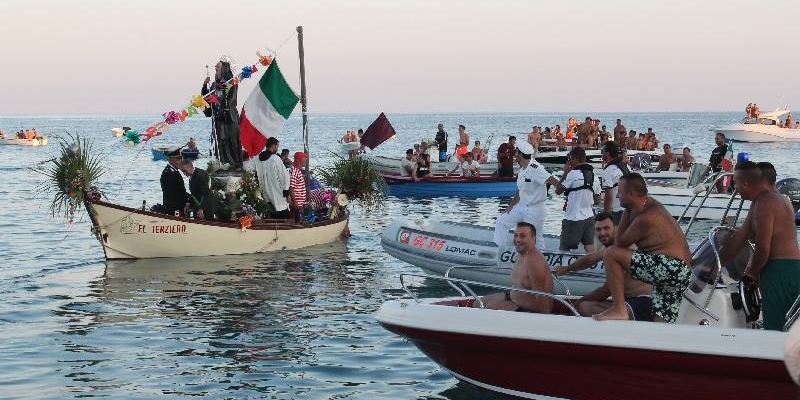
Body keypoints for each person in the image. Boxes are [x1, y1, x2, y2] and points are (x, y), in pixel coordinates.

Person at [594, 173, 693, 323]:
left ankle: (620, 309)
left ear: (631, 194)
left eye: (619, 192)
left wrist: (626, 210)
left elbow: (619, 242)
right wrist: (629, 208)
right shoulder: (647, 203)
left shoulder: (646, 218)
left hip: (671, 268)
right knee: (660, 321)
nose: (617, 196)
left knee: (611, 254)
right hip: (679, 272)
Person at [720, 162, 800, 330]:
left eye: (736, 183)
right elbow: (741, 236)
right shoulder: (767, 201)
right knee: (788, 327)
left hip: (779, 272)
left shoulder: (766, 201)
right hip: (789, 269)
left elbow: (763, 249)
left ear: (746, 183)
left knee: (775, 329)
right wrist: (717, 264)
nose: (735, 188)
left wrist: (750, 275)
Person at [554, 212, 654, 320]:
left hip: (643, 303)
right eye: (598, 229)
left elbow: (606, 291)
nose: (602, 233)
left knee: (585, 307)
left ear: (616, 228)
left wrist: (578, 303)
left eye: (607, 228)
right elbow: (590, 259)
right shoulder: (612, 248)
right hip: (630, 301)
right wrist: (566, 269)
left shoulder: (624, 248)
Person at [474, 222, 553, 313]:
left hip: (528, 307)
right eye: (516, 235)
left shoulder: (534, 262)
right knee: (478, 303)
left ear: (533, 239)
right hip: (513, 296)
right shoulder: (520, 255)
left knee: (490, 307)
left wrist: (516, 300)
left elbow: (545, 307)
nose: (517, 239)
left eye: (522, 236)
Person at [494, 140, 560, 249]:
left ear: (520, 155)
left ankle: (542, 259)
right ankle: (500, 251)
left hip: (535, 210)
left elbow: (553, 181)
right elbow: (520, 191)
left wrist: (566, 191)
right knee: (501, 220)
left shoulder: (536, 168)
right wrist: (510, 206)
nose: (514, 154)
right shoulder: (523, 169)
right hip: (521, 207)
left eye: (516, 152)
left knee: (534, 239)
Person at [553, 147, 601, 252]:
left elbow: (558, 190)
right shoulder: (595, 177)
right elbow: (597, 201)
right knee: (589, 246)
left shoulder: (573, 174)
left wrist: (565, 172)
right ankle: (592, 265)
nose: (568, 161)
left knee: (565, 247)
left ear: (574, 158)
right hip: (589, 217)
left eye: (569, 159)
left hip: (573, 218)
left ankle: (563, 267)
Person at [202, 59, 242, 169]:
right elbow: (207, 99)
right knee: (220, 142)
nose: (215, 69)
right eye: (215, 67)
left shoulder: (231, 82)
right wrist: (205, 86)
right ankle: (223, 163)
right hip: (218, 119)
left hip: (229, 117)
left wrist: (223, 107)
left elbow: (231, 99)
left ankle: (235, 163)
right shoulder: (214, 84)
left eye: (218, 67)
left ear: (224, 68)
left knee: (232, 141)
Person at [256, 137, 290, 219]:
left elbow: (247, 168)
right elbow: (284, 176)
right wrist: (286, 192)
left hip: (266, 195)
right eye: (277, 146)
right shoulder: (275, 159)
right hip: (278, 195)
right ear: (273, 146)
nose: (277, 149)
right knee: (282, 219)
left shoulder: (258, 159)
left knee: (271, 218)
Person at [598, 141, 629, 224]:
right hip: (629, 210)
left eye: (602, 151)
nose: (601, 154)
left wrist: (606, 215)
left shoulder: (608, 171)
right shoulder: (625, 166)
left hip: (617, 212)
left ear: (607, 153)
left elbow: (609, 195)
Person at [160, 150, 188, 217]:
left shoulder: (174, 171)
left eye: (181, 159)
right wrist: (177, 210)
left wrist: (188, 201)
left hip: (178, 207)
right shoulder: (168, 173)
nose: (181, 161)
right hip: (174, 208)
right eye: (179, 159)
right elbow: (171, 194)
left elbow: (180, 191)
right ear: (172, 160)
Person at [288, 152, 308, 220]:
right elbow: (291, 187)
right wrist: (295, 202)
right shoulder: (295, 172)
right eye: (304, 158)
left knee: (296, 220)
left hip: (299, 204)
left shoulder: (296, 171)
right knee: (294, 221)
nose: (306, 159)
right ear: (299, 159)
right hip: (296, 204)